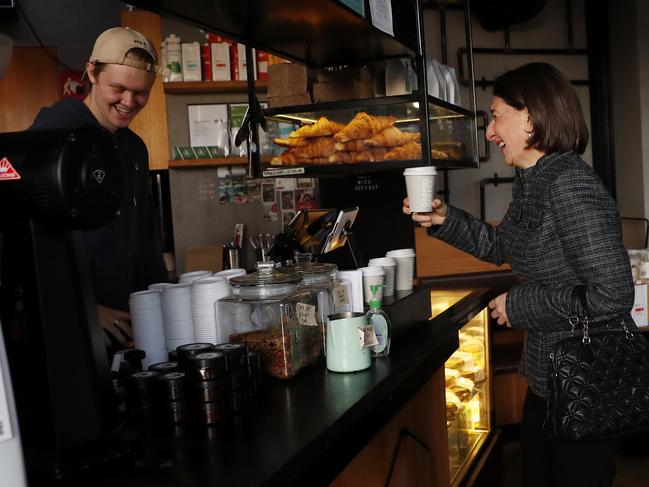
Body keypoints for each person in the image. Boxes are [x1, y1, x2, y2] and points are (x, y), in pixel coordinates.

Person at [403, 62, 634, 486]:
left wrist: (519, 305)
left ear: (529, 116)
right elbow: (501, 246)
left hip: (585, 384)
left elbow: (612, 296)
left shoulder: (569, 185)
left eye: (495, 116)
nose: (490, 133)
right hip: (550, 380)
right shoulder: (533, 182)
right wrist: (442, 219)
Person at [29, 27, 168, 348]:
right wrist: (81, 308)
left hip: (130, 329)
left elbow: (146, 236)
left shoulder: (134, 148)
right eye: (118, 88)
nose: (129, 102)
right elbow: (26, 248)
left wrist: (163, 300)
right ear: (91, 72)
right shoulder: (53, 137)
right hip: (73, 333)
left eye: (141, 93)